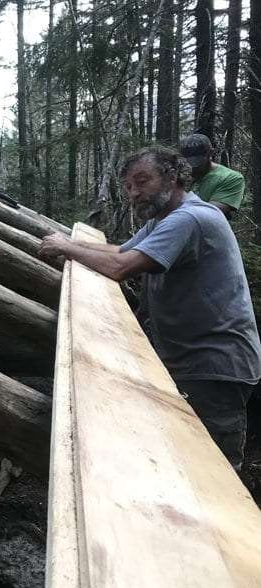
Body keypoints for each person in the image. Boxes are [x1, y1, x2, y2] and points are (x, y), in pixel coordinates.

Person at [38, 146, 261, 471]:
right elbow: (118, 249)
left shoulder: (189, 218)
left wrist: (64, 247)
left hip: (213, 365)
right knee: (182, 462)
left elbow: (120, 266)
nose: (134, 193)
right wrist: (68, 242)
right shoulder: (165, 219)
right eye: (128, 186)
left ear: (172, 177)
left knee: (212, 475)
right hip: (193, 359)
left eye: (142, 181)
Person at [179, 133, 245, 219]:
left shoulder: (230, 178)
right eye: (188, 162)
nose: (192, 166)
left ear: (211, 153)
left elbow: (210, 213)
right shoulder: (179, 174)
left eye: (197, 162)